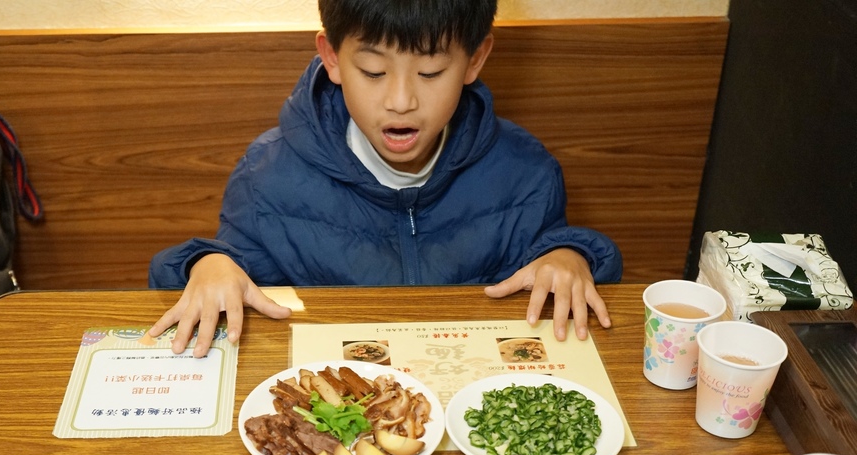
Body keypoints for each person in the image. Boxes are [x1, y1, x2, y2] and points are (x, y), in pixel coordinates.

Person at [148, 0, 622, 357]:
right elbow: (231, 279)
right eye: (374, 71)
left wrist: (568, 256)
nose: (400, 100)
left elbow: (551, 260)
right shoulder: (268, 175)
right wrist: (208, 265)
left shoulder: (525, 171)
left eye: (431, 71)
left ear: (475, 60)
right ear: (332, 58)